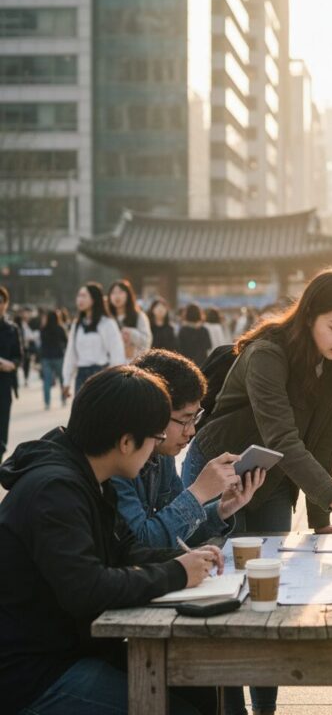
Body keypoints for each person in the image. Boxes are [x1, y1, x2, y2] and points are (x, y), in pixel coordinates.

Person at [184, 269, 332, 715]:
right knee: (223, 589)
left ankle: (265, 708)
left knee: (270, 593)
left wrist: (318, 520)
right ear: (308, 314)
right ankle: (229, 704)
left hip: (272, 481)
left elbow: (324, 442)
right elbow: (284, 439)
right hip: (220, 473)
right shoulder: (267, 352)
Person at [0, 366, 222, 715]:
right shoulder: (54, 491)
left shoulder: (88, 475)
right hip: (35, 674)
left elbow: (123, 549)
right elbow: (86, 588)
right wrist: (177, 573)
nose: (156, 449)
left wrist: (191, 560)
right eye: (154, 439)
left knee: (199, 681)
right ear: (125, 442)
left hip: (73, 648)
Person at [113, 349, 265, 548]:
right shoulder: (114, 462)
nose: (192, 431)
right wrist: (197, 493)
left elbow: (178, 533)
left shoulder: (162, 455)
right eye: (185, 420)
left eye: (195, 418)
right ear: (152, 411)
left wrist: (221, 509)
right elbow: (141, 545)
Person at [62, 282, 125, 397]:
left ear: (94, 299)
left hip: (101, 375)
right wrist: (66, 381)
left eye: (84, 295)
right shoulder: (77, 325)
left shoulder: (107, 323)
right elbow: (71, 354)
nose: (79, 299)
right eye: (79, 296)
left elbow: (117, 352)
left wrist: (116, 380)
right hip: (81, 376)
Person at [0, 287, 21, 461]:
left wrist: (11, 364)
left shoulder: (12, 329)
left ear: (6, 304)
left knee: (1, 436)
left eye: (1, 301)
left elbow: (19, 357)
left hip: (4, 385)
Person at [108, 279, 152, 360]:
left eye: (121, 292)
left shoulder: (139, 316)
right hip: (112, 365)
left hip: (133, 363)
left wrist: (131, 333)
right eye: (113, 293)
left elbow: (146, 342)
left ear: (128, 295)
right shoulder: (107, 318)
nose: (117, 296)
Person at [39, 309, 68, 410]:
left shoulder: (43, 329)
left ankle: (47, 403)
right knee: (62, 379)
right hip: (59, 356)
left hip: (46, 357)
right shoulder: (60, 328)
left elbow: (41, 344)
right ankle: (63, 399)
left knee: (46, 381)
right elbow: (66, 341)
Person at [178, 303, 212, 367]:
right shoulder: (203, 329)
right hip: (202, 362)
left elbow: (180, 348)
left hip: (187, 363)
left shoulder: (183, 330)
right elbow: (208, 345)